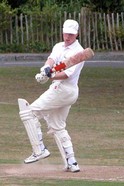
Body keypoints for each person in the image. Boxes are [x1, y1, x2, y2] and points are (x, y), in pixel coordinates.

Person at [18, 19, 85, 173]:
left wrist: (50, 76)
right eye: (66, 33)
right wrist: (45, 69)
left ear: (77, 34)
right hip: (64, 90)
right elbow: (52, 59)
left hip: (64, 89)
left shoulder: (78, 52)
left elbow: (66, 74)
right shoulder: (59, 46)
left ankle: (39, 149)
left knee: (29, 113)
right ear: (62, 31)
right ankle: (72, 162)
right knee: (57, 125)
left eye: (71, 34)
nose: (67, 37)